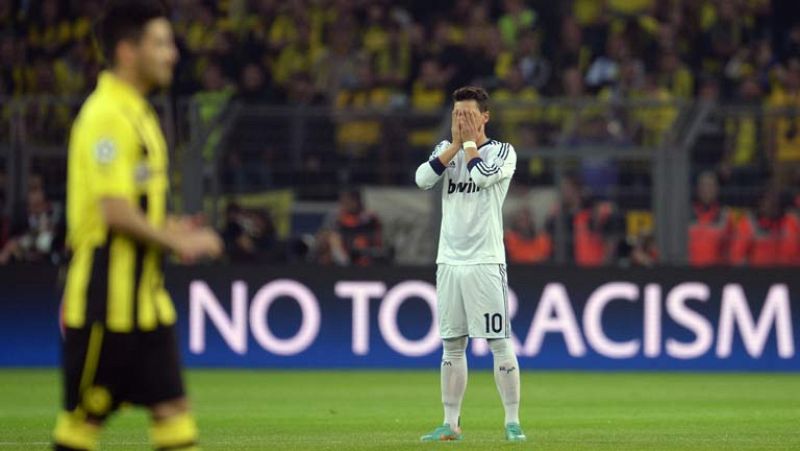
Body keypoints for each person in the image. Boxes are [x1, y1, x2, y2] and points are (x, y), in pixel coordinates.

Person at [53, 2, 223, 450]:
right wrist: (178, 239)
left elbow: (136, 206)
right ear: (128, 52)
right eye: (161, 44)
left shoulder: (140, 113)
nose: (173, 55)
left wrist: (173, 227)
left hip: (147, 303)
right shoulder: (107, 114)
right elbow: (114, 212)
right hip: (105, 300)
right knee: (80, 426)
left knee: (174, 417)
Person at [415, 86, 525, 442]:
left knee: (498, 341)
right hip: (448, 260)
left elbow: (481, 176)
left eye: (468, 115)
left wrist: (468, 145)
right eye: (456, 114)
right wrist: (454, 145)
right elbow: (422, 179)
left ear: (485, 117)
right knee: (451, 345)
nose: (461, 120)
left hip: (485, 261)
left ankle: (512, 421)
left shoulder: (504, 151)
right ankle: (451, 424)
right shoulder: (444, 153)